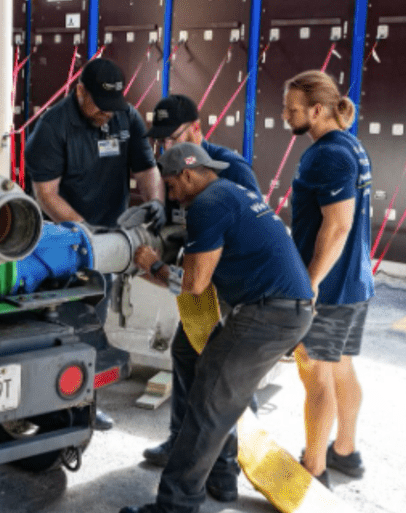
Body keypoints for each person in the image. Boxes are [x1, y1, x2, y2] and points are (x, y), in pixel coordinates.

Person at [122, 142, 314, 513]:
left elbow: (194, 284)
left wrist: (152, 265)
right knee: (213, 391)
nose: (172, 196)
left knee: (206, 405)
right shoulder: (233, 192)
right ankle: (222, 479)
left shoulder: (207, 205)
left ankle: (175, 506)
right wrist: (163, 273)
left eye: (172, 186)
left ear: (189, 175)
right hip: (285, 310)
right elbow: (206, 277)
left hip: (267, 315)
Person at [25, 58, 164, 431]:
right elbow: (46, 194)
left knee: (94, 323)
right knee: (57, 327)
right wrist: (87, 236)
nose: (107, 114)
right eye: (99, 105)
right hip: (60, 246)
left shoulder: (125, 117)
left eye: (113, 106)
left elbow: (147, 169)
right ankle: (47, 411)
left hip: (108, 242)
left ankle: (83, 405)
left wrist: (155, 205)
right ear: (80, 90)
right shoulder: (52, 127)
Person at [139, 95, 261, 503]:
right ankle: (182, 444)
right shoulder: (176, 169)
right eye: (158, 143)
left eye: (170, 139)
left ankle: (229, 466)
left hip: (227, 293)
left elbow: (244, 231)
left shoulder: (231, 171)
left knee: (225, 379)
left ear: (196, 129)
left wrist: (165, 270)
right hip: (199, 289)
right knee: (184, 354)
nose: (163, 150)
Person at [282, 70, 374, 487]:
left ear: (317, 111)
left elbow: (337, 226)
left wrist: (311, 282)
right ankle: (345, 452)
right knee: (339, 368)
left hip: (332, 289)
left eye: (293, 109)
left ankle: (313, 469)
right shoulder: (350, 146)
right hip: (355, 284)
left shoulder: (328, 154)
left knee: (315, 372)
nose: (285, 115)